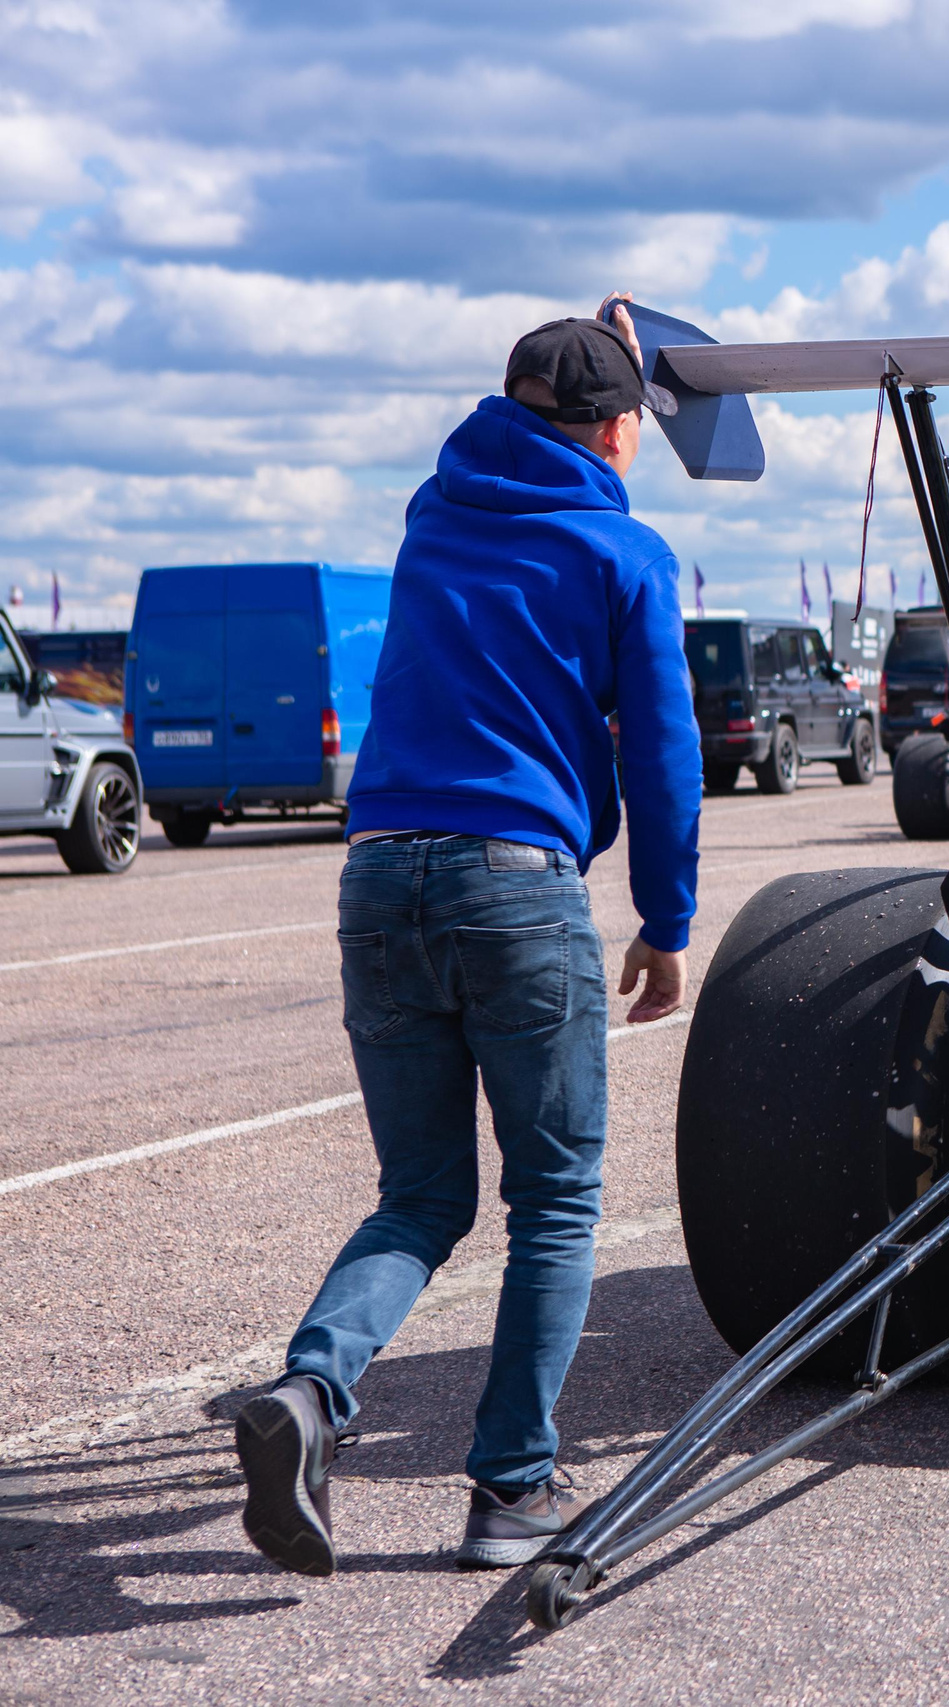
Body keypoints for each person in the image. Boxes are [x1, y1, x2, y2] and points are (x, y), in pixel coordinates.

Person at [231, 302, 699, 1579]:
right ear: (616, 429)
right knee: (553, 1202)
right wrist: (666, 922)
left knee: (421, 1196)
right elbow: (661, 753)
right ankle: (510, 1492)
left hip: (379, 875)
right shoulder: (629, 555)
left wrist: (597, 361)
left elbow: (534, 433)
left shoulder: (433, 517)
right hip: (515, 884)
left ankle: (314, 1391)